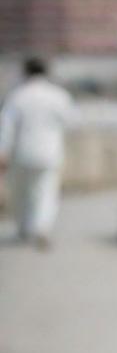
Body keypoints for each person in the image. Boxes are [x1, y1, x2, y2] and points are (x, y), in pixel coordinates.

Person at [0, 56, 78, 250]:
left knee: (21, 192)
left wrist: (3, 151)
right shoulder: (59, 96)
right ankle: (42, 228)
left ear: (25, 72)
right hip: (49, 152)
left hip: (21, 152)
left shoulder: (17, 96)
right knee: (46, 192)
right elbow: (72, 121)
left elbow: (6, 127)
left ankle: (25, 228)